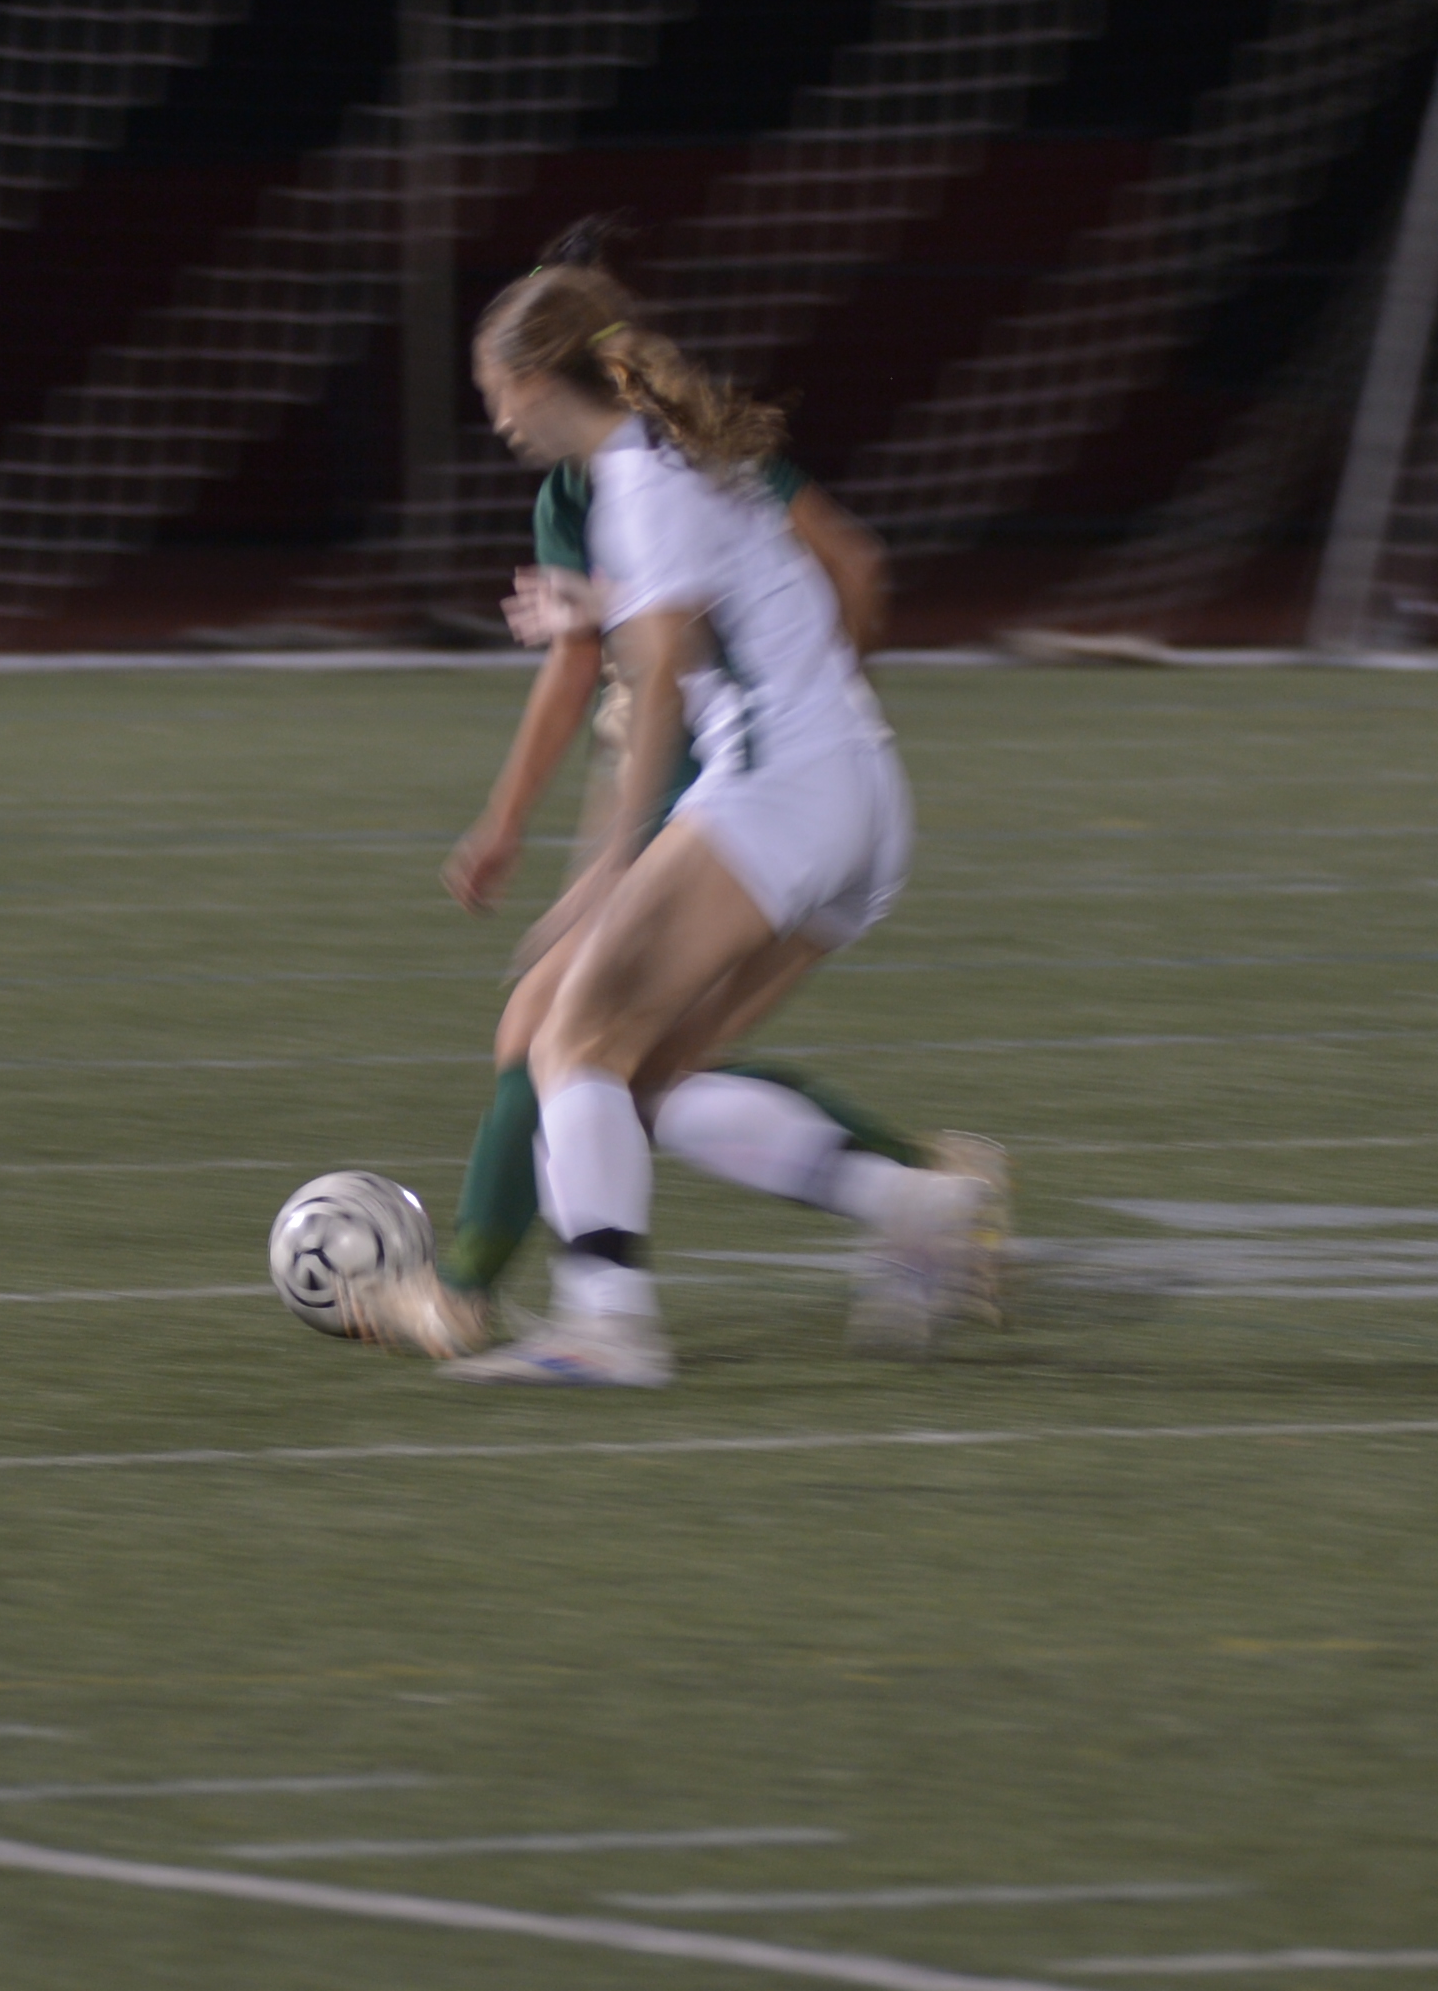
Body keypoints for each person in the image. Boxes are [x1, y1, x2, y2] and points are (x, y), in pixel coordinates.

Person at [352, 260, 1001, 1388]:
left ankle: (604, 1328)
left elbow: (656, 679)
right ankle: (918, 1202)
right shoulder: (682, 455)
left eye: (494, 390)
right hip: (856, 792)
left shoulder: (635, 482)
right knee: (645, 1079)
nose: (496, 417)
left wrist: (608, 867)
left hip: (777, 793)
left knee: (567, 1041)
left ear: (534, 378)